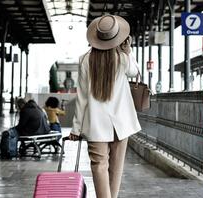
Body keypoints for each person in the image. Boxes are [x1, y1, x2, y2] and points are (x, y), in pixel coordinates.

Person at [69, 15, 141, 198]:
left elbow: (82, 97)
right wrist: (128, 50)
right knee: (116, 168)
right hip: (122, 124)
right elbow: (136, 72)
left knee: (99, 166)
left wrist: (76, 128)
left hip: (96, 124)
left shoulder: (85, 60)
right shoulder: (122, 59)